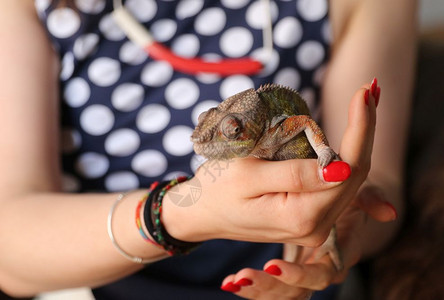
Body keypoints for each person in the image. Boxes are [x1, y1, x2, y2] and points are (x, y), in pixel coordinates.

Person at [0, 0, 416, 299]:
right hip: (99, 277)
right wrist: (181, 213)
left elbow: (376, 181)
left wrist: (342, 213)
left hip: (295, 267)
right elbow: (10, 247)